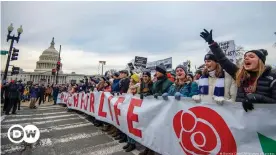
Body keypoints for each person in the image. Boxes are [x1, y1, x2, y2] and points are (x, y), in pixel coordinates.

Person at [200, 29, 276, 111]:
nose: (246, 58)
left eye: (251, 56)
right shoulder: (241, 76)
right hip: (241, 120)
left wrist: (257, 97)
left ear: (261, 61)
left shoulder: (272, 80)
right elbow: (223, 60)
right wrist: (212, 43)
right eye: (245, 57)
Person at [123, 74, 140, 152]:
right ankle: (129, 141)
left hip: (134, 108)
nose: (130, 81)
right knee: (127, 124)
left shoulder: (137, 86)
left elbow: (137, 96)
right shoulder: (130, 86)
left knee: (132, 125)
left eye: (132, 80)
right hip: (128, 107)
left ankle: (132, 143)